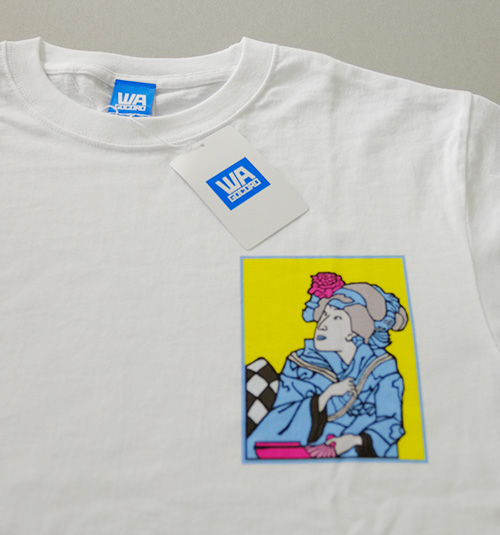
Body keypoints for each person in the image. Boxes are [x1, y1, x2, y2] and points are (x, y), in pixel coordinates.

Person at [246, 272, 409, 460]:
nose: (322, 325)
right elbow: (278, 416)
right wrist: (325, 396)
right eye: (325, 315)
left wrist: (355, 440)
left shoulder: (382, 368)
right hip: (302, 452)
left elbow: (391, 421)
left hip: (359, 453)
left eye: (336, 318)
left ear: (355, 330)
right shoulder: (299, 364)